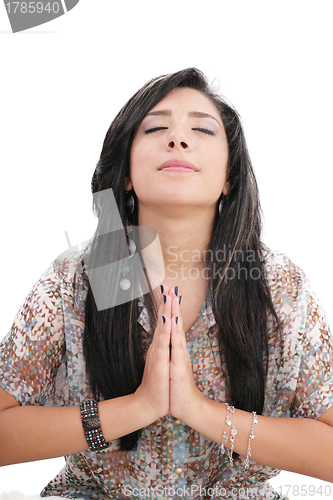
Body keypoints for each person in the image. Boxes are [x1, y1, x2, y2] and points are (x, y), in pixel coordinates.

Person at [0, 68, 332, 500]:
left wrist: (200, 411)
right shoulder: (80, 275)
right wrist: (136, 408)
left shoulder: (276, 284)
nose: (177, 139)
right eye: (156, 128)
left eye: (202, 129)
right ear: (125, 176)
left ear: (230, 176)